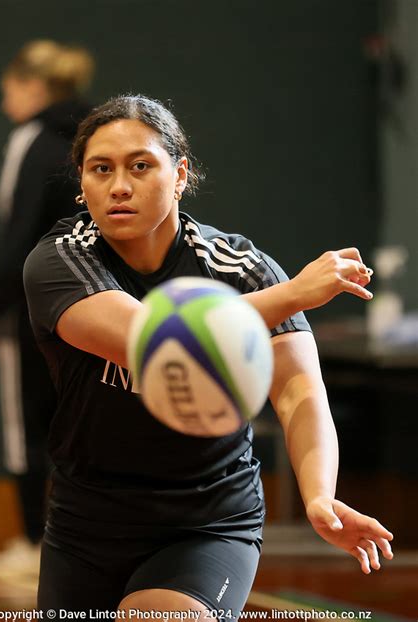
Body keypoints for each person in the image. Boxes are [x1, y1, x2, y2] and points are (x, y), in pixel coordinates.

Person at [23, 95, 393, 617]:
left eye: (141, 166)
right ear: (82, 184)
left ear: (180, 175)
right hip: (86, 521)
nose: (119, 186)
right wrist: (293, 294)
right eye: (100, 169)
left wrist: (318, 495)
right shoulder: (60, 258)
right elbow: (150, 339)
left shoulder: (238, 266)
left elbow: (299, 392)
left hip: (206, 520)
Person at [0, 40, 95, 574]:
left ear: (32, 86)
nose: (4, 99)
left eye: (8, 88)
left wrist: (0, 306)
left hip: (32, 306)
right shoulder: (87, 137)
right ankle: (80, 543)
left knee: (26, 426)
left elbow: (19, 232)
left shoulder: (30, 141)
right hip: (90, 300)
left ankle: (34, 545)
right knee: (77, 417)